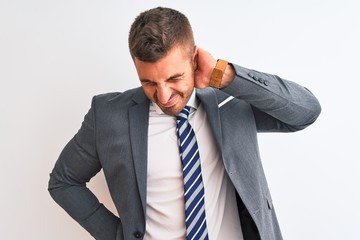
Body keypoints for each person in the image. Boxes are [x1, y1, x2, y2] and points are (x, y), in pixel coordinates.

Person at [48, 6, 321, 240]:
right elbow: (64, 181)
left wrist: (225, 76)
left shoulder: (230, 103)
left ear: (193, 60)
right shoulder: (109, 115)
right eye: (149, 82)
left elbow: (305, 112)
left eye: (174, 78)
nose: (163, 96)